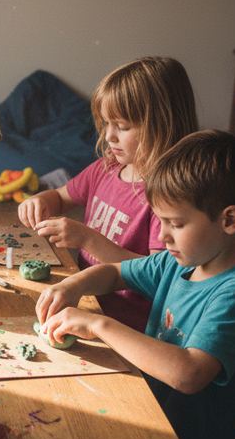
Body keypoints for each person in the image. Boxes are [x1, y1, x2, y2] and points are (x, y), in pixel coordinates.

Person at [36, 130, 235, 439]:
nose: (163, 236)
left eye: (175, 224)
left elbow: (188, 373)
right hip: (154, 427)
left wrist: (99, 324)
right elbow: (115, 272)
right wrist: (72, 287)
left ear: (229, 220)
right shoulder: (181, 263)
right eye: (160, 221)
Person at [18, 57, 198, 331]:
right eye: (106, 123)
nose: (110, 136)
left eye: (123, 126)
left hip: (128, 325)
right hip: (84, 300)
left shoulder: (169, 196)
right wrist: (41, 200)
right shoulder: (106, 168)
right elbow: (61, 197)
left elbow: (156, 272)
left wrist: (87, 239)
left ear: (163, 124)